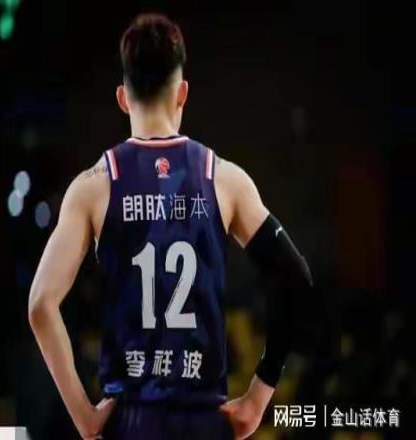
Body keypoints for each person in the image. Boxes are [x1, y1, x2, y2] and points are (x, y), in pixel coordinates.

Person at [28, 13, 313, 440]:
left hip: (130, 421)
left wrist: (84, 416)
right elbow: (295, 276)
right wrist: (258, 397)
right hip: (205, 420)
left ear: (123, 98)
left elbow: (40, 305)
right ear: (183, 93)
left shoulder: (93, 186)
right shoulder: (225, 179)